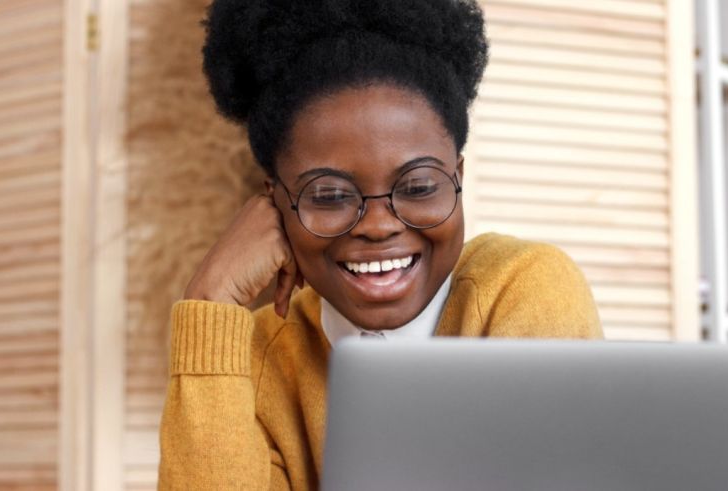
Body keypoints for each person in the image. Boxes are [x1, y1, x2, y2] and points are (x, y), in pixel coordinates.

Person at [158, 0, 603, 489]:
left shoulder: (524, 288)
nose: (376, 225)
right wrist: (210, 299)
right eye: (328, 195)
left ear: (458, 175)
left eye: (417, 187)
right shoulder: (260, 358)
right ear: (275, 205)